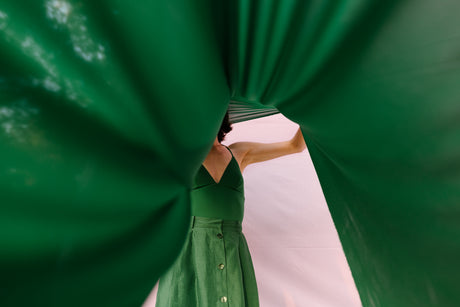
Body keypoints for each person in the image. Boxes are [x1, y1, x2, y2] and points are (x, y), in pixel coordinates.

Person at [156, 112, 306, 307]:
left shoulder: (239, 152)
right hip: (192, 250)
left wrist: (312, 103)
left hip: (231, 245)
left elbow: (295, 145)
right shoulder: (180, 156)